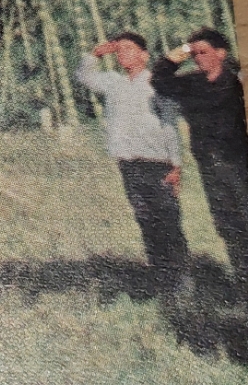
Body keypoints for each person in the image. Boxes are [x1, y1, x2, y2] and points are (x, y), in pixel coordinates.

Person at [76, 34, 189, 298]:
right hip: (128, 163)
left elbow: (170, 124)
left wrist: (176, 165)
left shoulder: (156, 82)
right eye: (119, 50)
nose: (123, 54)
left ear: (144, 55)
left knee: (168, 220)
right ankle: (160, 276)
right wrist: (95, 54)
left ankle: (182, 278)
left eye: (129, 49)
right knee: (145, 219)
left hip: (157, 162)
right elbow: (83, 76)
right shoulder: (113, 83)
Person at [152, 28, 248, 295]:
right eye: (193, 55)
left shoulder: (237, 82)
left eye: (203, 52)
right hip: (211, 168)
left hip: (240, 163)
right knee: (228, 225)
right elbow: (159, 79)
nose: (197, 58)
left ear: (221, 53)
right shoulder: (191, 84)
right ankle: (243, 282)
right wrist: (180, 53)